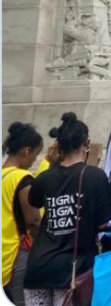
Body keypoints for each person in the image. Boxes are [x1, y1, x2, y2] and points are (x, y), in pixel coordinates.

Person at [25, 114, 111, 306]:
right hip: (72, 271)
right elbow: (103, 223)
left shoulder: (44, 177)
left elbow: (33, 205)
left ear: (59, 146)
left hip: (38, 267)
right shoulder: (96, 176)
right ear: (86, 143)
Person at [3, 123, 44, 306]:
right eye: (36, 154)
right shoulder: (22, 178)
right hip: (15, 254)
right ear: (27, 151)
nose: (34, 160)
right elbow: (33, 220)